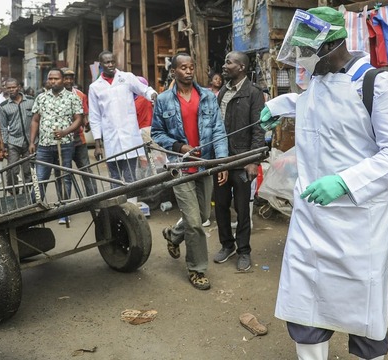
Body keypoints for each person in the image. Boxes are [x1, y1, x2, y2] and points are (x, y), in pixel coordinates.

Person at [260, 7, 388, 360]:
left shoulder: (378, 85)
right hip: (311, 219)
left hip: (359, 224)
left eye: (309, 54)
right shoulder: (318, 81)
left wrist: (345, 182)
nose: (305, 64)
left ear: (334, 45)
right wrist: (278, 105)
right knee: (304, 309)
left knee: (364, 314)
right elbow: (311, 104)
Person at [151, 52, 229, 290]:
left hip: (204, 166)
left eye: (191, 67)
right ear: (173, 72)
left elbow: (218, 130)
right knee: (195, 223)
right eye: (183, 67)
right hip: (180, 167)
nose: (188, 70)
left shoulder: (207, 96)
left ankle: (174, 234)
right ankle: (197, 270)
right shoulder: (163, 100)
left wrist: (222, 161)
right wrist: (179, 146)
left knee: (204, 216)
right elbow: (156, 133)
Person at [212, 51, 265, 271]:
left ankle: (244, 250)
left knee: (242, 208)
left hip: (243, 160)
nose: (224, 66)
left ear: (241, 67)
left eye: (228, 62)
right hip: (223, 160)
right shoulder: (222, 91)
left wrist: (253, 161)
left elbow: (259, 129)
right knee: (221, 205)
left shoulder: (253, 93)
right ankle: (227, 245)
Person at [88, 50, 157, 190]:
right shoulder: (95, 87)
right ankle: (119, 209)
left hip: (129, 137)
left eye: (113, 61)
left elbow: (145, 89)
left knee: (131, 176)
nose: (111, 65)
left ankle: (131, 208)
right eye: (107, 62)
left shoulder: (127, 78)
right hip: (111, 138)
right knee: (115, 177)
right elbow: (94, 117)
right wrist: (97, 144)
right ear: (101, 64)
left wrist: (153, 95)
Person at [29, 68, 83, 206]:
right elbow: (35, 120)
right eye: (50, 78)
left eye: (56, 78)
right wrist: (32, 142)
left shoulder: (72, 97)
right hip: (44, 145)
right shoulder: (41, 98)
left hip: (64, 144)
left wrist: (65, 131)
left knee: (64, 177)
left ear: (63, 80)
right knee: (40, 177)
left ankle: (64, 208)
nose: (53, 81)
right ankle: (34, 207)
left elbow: (78, 119)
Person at [63, 68, 97, 207]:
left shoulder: (80, 95)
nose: (69, 81)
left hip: (78, 140)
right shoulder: (53, 96)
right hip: (63, 141)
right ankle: (65, 206)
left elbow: (84, 115)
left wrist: (86, 123)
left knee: (86, 170)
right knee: (64, 174)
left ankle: (94, 200)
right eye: (66, 78)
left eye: (71, 78)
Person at [0, 78, 34, 193]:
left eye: (13, 87)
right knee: (12, 170)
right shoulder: (3, 106)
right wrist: (4, 143)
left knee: (29, 171)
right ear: (5, 89)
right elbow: (3, 127)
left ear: (19, 87)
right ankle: (14, 194)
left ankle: (27, 195)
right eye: (9, 88)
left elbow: (37, 120)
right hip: (13, 142)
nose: (11, 90)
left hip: (30, 141)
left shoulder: (31, 101)